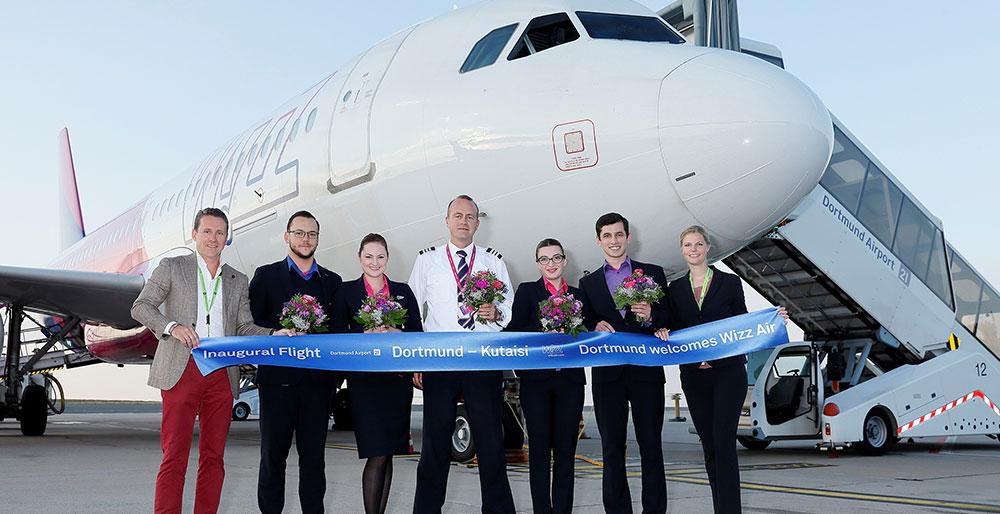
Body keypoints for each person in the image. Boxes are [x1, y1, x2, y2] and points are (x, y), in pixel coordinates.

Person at [131, 207, 295, 514]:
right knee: (174, 455)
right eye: (207, 231)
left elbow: (244, 327)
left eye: (220, 232)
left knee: (213, 457)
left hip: (222, 372)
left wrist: (275, 333)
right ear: (194, 235)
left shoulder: (237, 279)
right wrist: (172, 327)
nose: (213, 238)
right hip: (182, 368)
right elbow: (141, 307)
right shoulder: (172, 267)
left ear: (227, 238)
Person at [664, 225, 787, 514]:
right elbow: (675, 325)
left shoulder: (729, 283)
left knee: (723, 441)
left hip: (728, 374)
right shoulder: (675, 289)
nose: (693, 249)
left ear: (708, 247)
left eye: (698, 244)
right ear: (682, 251)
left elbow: (743, 324)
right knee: (708, 445)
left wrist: (773, 318)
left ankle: (729, 509)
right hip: (694, 375)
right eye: (687, 245)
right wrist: (661, 329)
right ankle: (720, 506)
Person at [408, 194, 516, 514]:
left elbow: (508, 309)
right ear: (447, 220)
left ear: (477, 223)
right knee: (435, 444)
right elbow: (414, 313)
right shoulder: (427, 260)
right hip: (440, 360)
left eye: (470, 217)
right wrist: (416, 360)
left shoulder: (493, 261)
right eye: (458, 216)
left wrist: (495, 313)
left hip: (481, 359)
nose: (463, 222)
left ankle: (498, 509)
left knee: (491, 442)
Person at [248, 210, 343, 514]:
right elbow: (251, 324)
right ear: (286, 237)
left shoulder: (332, 281)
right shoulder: (266, 276)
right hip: (277, 383)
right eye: (299, 233)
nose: (306, 239)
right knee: (273, 458)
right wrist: (277, 332)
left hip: (318, 386)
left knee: (314, 460)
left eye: (312, 234)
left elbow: (339, 333)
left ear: (318, 238)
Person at [577, 212, 669, 514]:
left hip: (646, 373)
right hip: (608, 376)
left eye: (619, 235)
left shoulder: (652, 273)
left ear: (628, 237)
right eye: (607, 236)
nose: (613, 241)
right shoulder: (588, 283)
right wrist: (594, 326)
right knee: (612, 449)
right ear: (599, 240)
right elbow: (585, 322)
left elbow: (669, 317)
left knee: (651, 446)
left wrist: (652, 318)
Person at [330, 233, 423, 514]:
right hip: (365, 384)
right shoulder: (347, 292)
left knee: (389, 452)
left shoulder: (403, 290)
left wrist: (399, 332)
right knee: (376, 452)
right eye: (368, 256)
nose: (374, 262)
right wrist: (363, 333)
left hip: (396, 382)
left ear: (387, 259)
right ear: (359, 258)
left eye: (380, 256)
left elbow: (418, 333)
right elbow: (335, 335)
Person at [505, 238, 587, 514]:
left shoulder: (579, 294)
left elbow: (591, 332)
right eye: (544, 259)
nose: (551, 264)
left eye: (556, 258)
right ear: (537, 263)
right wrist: (544, 331)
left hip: (570, 382)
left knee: (565, 453)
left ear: (565, 261)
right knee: (539, 452)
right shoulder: (527, 292)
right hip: (536, 383)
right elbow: (514, 332)